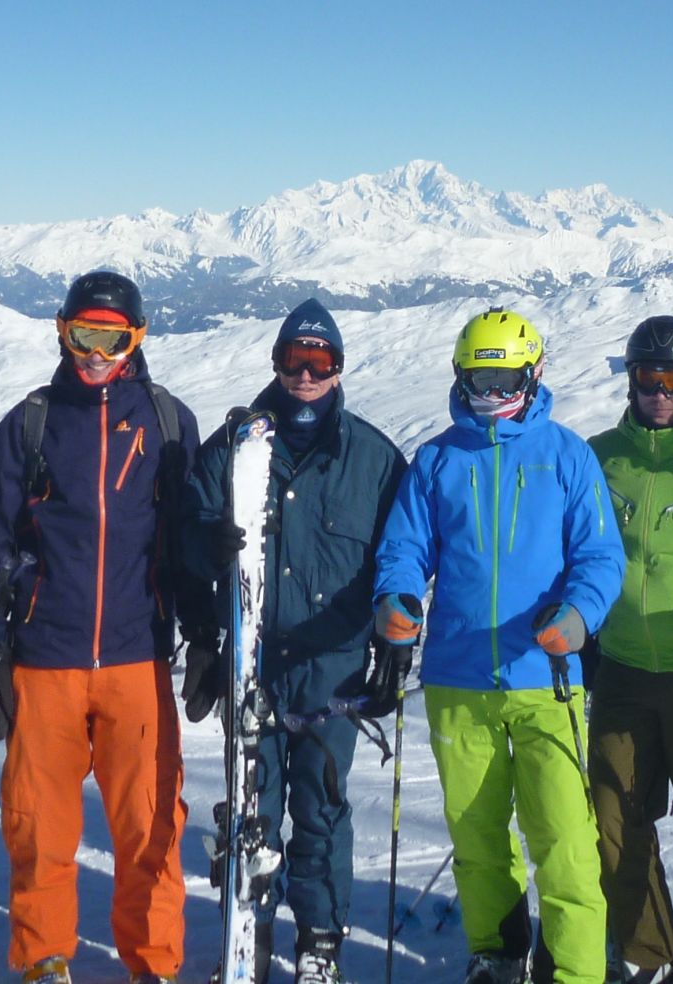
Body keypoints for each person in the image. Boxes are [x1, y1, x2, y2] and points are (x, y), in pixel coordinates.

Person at [372, 307, 625, 984]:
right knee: (478, 836)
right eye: (477, 379)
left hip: (547, 677)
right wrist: (396, 602)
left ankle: (573, 970)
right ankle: (497, 950)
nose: (489, 394)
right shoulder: (437, 458)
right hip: (458, 679)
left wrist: (577, 619)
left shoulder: (567, 455)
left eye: (503, 378)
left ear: (533, 372)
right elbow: (405, 549)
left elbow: (601, 556)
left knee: (566, 840)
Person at [0, 270, 201, 984]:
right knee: (39, 826)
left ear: (136, 339)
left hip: (137, 656)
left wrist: (208, 635)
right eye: (82, 335)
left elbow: (187, 539)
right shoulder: (31, 422)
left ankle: (153, 966)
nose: (95, 353)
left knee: (151, 828)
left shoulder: (166, 422)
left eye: (111, 338)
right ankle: (44, 960)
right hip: (46, 658)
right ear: (61, 331)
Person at [180, 298, 407, 983]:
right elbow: (185, 538)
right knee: (252, 805)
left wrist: (394, 640)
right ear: (275, 364)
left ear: (339, 370)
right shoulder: (234, 448)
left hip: (332, 667)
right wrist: (204, 553)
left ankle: (320, 942)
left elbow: (400, 555)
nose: (305, 375)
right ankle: (249, 934)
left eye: (320, 363)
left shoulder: (371, 458)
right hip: (252, 660)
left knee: (320, 809)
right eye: (293, 361)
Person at [588, 316, 673, 984]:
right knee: (615, 822)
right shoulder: (601, 454)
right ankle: (647, 953)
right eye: (649, 378)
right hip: (619, 672)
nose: (661, 393)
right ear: (632, 379)